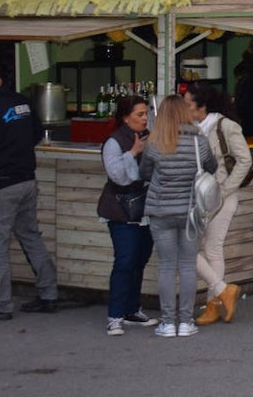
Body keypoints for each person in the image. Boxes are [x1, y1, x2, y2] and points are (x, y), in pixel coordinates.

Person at [139, 94, 217, 337]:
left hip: (161, 211)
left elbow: (144, 173)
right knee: (187, 266)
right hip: (191, 212)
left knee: (166, 266)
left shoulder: (154, 142)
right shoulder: (198, 142)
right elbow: (211, 168)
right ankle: (185, 322)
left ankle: (167, 322)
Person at [0, 63, 59, 322]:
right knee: (30, 236)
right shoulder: (21, 102)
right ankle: (48, 294)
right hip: (27, 181)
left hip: (2, 184)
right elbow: (35, 134)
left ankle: (2, 306)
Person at [188, 82, 252, 326]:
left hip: (221, 196)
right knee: (200, 248)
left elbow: (245, 160)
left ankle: (214, 302)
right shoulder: (189, 128)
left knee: (210, 248)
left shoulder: (225, 126)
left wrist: (224, 190)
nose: (184, 107)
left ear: (201, 106)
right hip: (198, 196)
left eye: (188, 103)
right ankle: (222, 292)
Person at [98, 95, 158, 336]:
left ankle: (132, 309)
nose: (145, 119)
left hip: (145, 207)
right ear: (125, 117)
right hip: (121, 209)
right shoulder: (114, 142)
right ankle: (115, 315)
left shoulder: (149, 137)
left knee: (140, 259)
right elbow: (118, 176)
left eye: (146, 113)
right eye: (139, 114)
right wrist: (132, 153)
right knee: (125, 260)